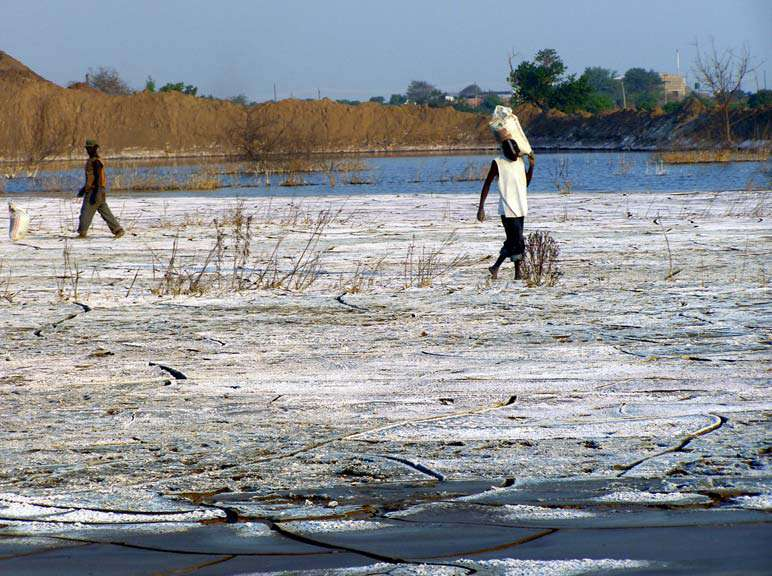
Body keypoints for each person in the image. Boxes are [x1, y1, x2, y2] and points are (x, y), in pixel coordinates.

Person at [476, 139, 535, 280]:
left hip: (521, 207)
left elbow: (525, 184)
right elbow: (487, 183)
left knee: (513, 241)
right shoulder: (498, 163)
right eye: (512, 154)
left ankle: (496, 267)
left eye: (516, 154)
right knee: (517, 241)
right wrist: (481, 207)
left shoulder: (520, 162)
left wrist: (531, 166)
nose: (515, 156)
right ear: (505, 152)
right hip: (507, 209)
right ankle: (517, 274)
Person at [76, 139, 124, 238]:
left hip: (95, 190)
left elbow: (98, 178)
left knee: (86, 212)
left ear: (94, 149)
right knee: (104, 211)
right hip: (98, 190)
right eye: (87, 148)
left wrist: (95, 193)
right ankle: (118, 230)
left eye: (89, 148)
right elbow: (93, 178)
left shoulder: (95, 162)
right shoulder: (95, 160)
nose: (88, 150)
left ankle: (82, 232)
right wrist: (83, 189)